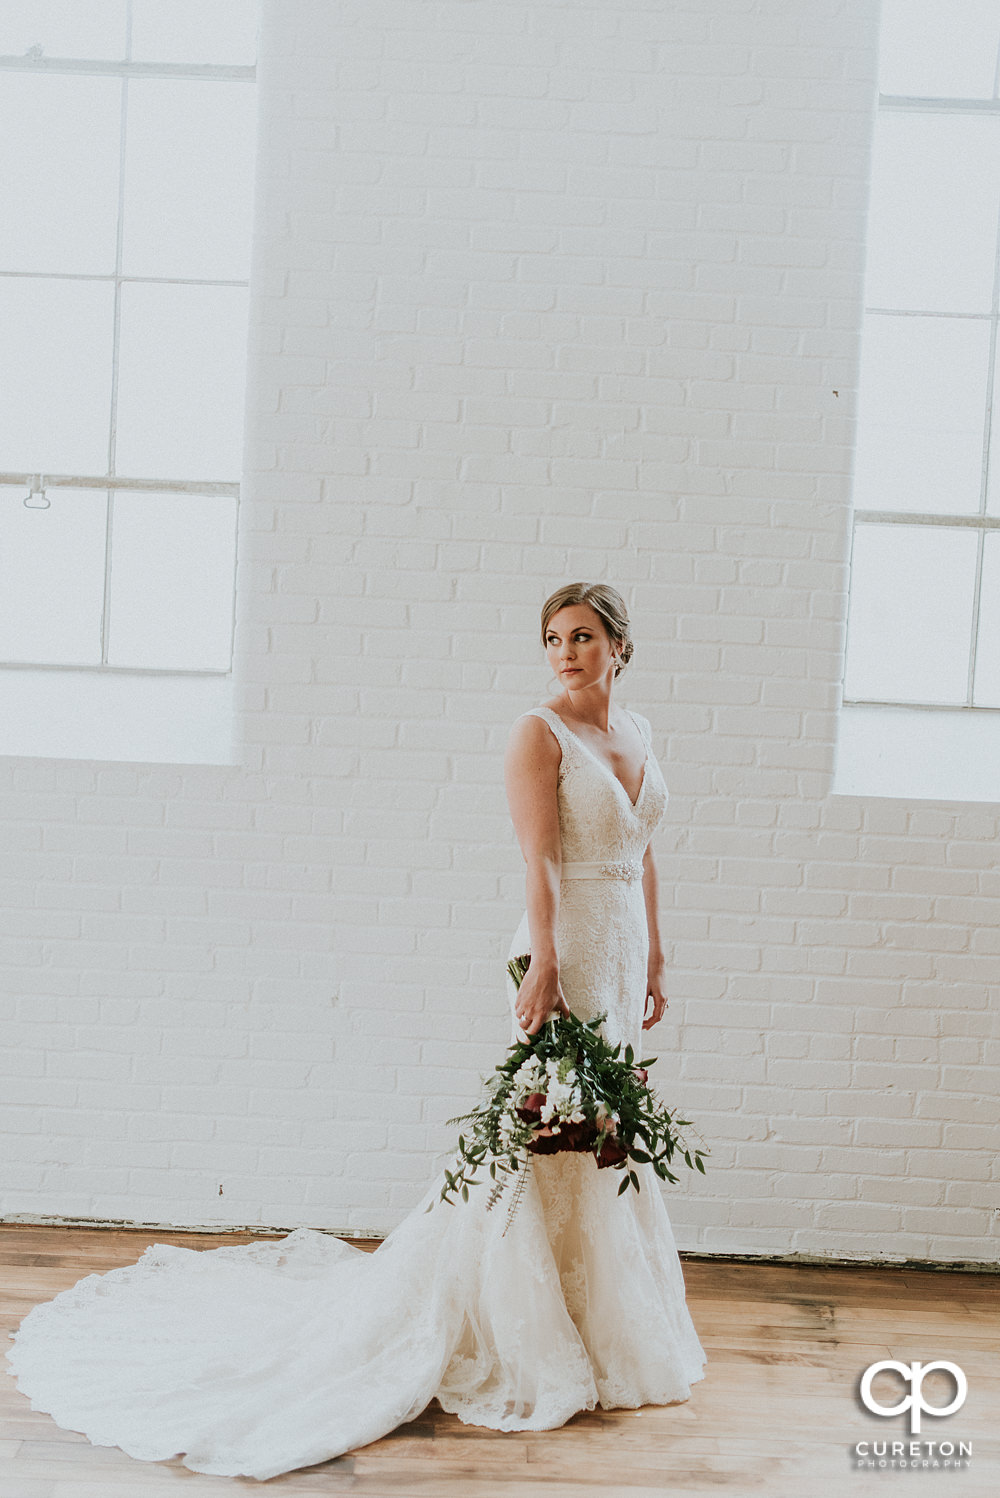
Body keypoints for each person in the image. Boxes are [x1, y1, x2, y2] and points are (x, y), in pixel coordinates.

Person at [5, 581, 707, 1482]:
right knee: (539, 1137)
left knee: (600, 1139)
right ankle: (515, 1328)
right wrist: (543, 962)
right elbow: (536, 857)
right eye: (551, 638)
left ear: (620, 647)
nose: (564, 652)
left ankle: (593, 1320)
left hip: (621, 951)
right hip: (565, 946)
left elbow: (641, 850)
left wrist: (654, 957)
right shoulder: (539, 735)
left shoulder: (640, 733)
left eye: (581, 637)